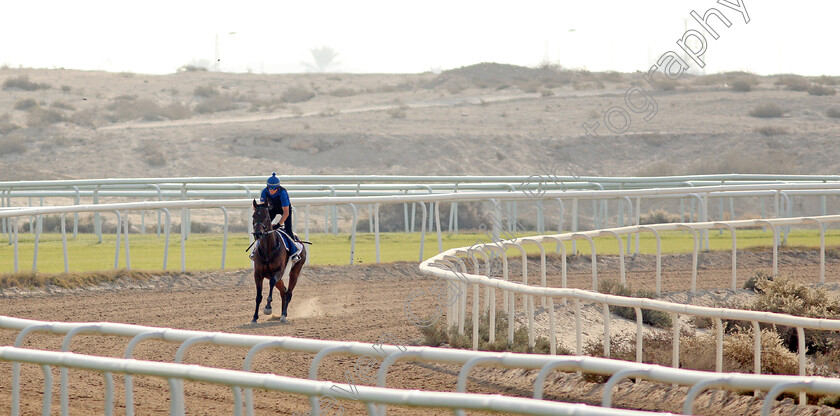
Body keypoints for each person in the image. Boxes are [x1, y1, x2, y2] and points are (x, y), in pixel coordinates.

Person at [251, 172, 301, 262]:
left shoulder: (283, 193)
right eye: (269, 187)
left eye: (274, 188)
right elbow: (262, 209)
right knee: (262, 230)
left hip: (284, 210)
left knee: (289, 230)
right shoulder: (264, 192)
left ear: (278, 188)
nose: (271, 190)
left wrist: (278, 225)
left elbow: (286, 213)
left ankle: (295, 253)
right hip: (272, 209)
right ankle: (255, 250)